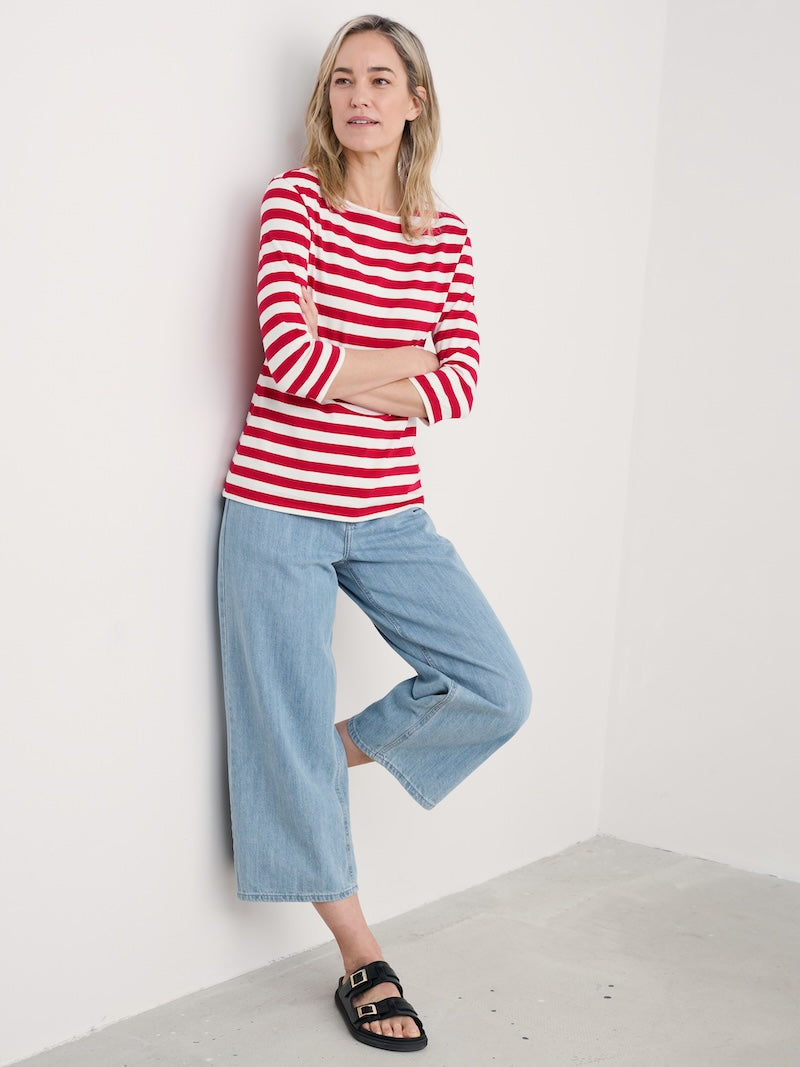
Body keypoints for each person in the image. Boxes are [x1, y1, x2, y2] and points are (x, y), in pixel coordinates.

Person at [217, 14, 531, 1053]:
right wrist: (390, 356)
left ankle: (325, 752)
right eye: (341, 80)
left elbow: (457, 384)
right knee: (280, 722)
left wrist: (351, 356)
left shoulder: (441, 235)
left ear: (415, 101)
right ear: (327, 101)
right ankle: (360, 954)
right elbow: (287, 361)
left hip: (389, 513)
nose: (358, 96)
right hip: (274, 506)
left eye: (379, 79)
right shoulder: (291, 203)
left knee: (494, 683)